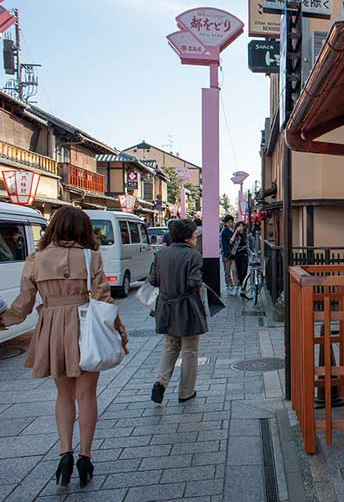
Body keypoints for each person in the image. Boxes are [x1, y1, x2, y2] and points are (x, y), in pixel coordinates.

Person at [0, 206, 128, 487]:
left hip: (53, 331)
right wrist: (119, 330)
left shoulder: (35, 259)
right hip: (86, 328)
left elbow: (22, 307)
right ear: (83, 229)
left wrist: (2, 320)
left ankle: (65, 453)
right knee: (87, 395)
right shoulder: (90, 257)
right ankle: (85, 456)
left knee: (63, 395)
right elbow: (103, 300)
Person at [149, 219, 207, 405]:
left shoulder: (161, 254)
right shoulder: (193, 256)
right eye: (194, 234)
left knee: (170, 345)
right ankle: (185, 392)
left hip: (165, 306)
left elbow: (153, 281)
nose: (196, 237)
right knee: (189, 350)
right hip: (187, 307)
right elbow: (193, 282)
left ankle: (161, 382)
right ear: (188, 237)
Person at [230, 221, 249, 299]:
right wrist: (235, 232)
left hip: (245, 255)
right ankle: (242, 288)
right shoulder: (236, 235)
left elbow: (249, 244)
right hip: (237, 255)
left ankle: (243, 288)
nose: (241, 227)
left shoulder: (246, 234)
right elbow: (231, 241)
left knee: (244, 271)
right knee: (239, 272)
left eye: (242, 226)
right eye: (239, 226)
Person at [219, 215, 236, 294]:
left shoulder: (234, 230)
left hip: (233, 254)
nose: (230, 223)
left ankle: (234, 285)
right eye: (228, 222)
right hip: (227, 254)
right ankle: (229, 285)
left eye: (231, 221)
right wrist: (226, 255)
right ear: (225, 223)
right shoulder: (225, 231)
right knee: (227, 271)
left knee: (234, 270)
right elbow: (224, 245)